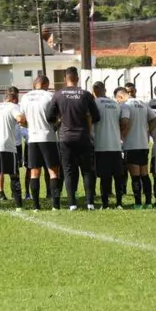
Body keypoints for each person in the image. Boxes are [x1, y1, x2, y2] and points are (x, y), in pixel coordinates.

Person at [46, 67, 100, 211]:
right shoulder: (86, 94)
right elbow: (96, 116)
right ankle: (90, 203)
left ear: (65, 78)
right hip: (83, 137)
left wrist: (60, 122)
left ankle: (72, 204)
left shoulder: (58, 95)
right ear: (77, 78)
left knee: (68, 170)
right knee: (87, 170)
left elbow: (49, 116)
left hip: (65, 138)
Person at [21, 76, 61, 210]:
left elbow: (21, 119)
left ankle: (36, 206)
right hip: (47, 137)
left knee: (34, 172)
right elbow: (57, 116)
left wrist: (30, 125)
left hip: (32, 139)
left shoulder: (25, 97)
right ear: (44, 84)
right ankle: (55, 205)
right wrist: (56, 124)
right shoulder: (49, 96)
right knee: (53, 172)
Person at [116, 86, 156, 209]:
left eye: (117, 100)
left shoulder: (125, 105)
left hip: (131, 145)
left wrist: (123, 134)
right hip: (143, 144)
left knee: (135, 176)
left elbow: (124, 121)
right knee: (144, 175)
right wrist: (147, 133)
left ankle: (138, 203)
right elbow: (154, 120)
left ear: (120, 96)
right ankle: (148, 202)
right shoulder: (143, 103)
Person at [0, 90, 26, 210]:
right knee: (14, 175)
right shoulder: (13, 106)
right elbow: (20, 119)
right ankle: (19, 205)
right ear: (14, 99)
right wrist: (25, 122)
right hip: (8, 145)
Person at [91, 82, 127, 209]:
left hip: (101, 144)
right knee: (118, 176)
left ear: (94, 91)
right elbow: (121, 122)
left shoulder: (95, 103)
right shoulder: (115, 104)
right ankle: (119, 203)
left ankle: (105, 204)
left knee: (104, 177)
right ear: (105, 90)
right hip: (115, 145)